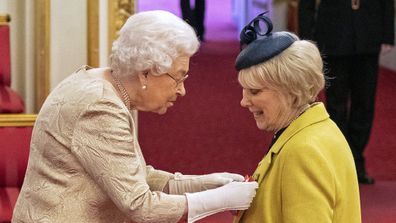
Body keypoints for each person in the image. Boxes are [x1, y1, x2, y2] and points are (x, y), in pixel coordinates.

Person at [12, 10, 258, 223]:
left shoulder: (102, 85)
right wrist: (218, 200)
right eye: (178, 77)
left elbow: (138, 176)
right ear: (145, 73)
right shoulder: (99, 107)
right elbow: (140, 205)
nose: (182, 90)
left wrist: (209, 183)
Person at [232, 13, 361, 223]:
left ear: (291, 91)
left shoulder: (303, 151)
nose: (243, 102)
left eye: (254, 92)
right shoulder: (318, 130)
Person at [298, 0, 395, 184]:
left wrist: (388, 34)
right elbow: (306, 4)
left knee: (365, 104)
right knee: (336, 106)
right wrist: (306, 40)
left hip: (368, 34)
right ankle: (339, 162)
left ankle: (357, 161)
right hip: (333, 34)